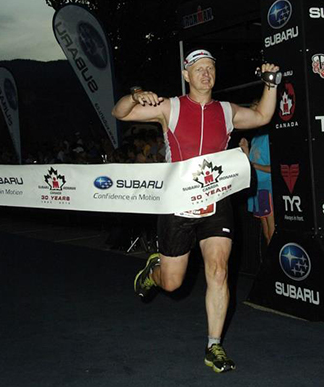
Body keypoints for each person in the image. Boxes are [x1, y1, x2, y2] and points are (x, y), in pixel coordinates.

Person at [112, 48, 279, 374]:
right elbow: (120, 113)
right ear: (187, 75)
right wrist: (134, 96)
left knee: (218, 270)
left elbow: (261, 116)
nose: (206, 74)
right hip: (177, 204)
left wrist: (271, 84)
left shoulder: (227, 111)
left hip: (216, 202)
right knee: (172, 284)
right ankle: (154, 271)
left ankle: (213, 345)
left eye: (210, 68)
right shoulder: (170, 107)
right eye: (199, 69)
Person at [239, 116, 275, 245]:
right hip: (258, 189)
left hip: (268, 188)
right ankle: (270, 262)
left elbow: (275, 167)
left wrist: (254, 165)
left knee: (273, 231)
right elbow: (251, 163)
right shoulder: (256, 137)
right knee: (266, 233)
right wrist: (246, 150)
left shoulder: (269, 136)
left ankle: (276, 261)